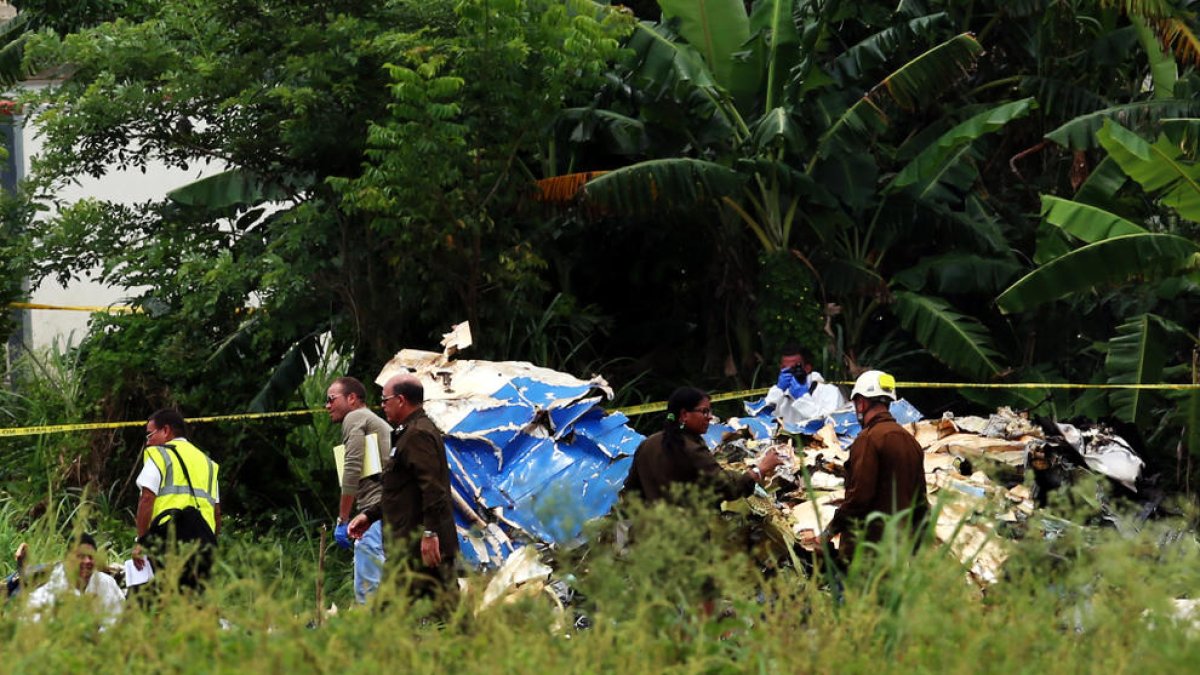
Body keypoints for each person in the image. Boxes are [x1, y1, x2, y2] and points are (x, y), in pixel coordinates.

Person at [348, 374, 458, 611]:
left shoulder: (417, 435)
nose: (382, 406)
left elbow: (433, 488)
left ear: (400, 400)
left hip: (418, 547)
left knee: (389, 614)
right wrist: (370, 515)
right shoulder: (408, 433)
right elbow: (400, 491)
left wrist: (430, 534)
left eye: (385, 400)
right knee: (449, 613)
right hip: (413, 546)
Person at [818, 370, 928, 565]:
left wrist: (829, 532)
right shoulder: (911, 443)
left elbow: (859, 498)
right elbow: (921, 503)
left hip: (867, 554)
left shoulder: (868, 439)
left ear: (861, 403)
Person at [623, 386, 782, 507]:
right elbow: (727, 488)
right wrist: (760, 469)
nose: (710, 417)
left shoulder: (648, 444)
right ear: (684, 414)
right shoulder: (691, 449)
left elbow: (631, 491)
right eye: (704, 412)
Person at [132, 409, 220, 591]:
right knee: (195, 600)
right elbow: (216, 511)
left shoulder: (160, 455)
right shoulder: (208, 463)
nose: (148, 442)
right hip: (203, 543)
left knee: (165, 596)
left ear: (166, 430)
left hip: (168, 541)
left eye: (150, 435)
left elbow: (147, 499)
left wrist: (142, 541)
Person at [326, 375, 394, 604]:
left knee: (368, 588)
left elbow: (352, 466)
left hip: (374, 509)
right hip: (388, 507)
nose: (327, 406)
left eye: (331, 399)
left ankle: (371, 626)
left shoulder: (355, 417)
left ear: (352, 398)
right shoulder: (373, 421)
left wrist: (343, 519)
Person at [25, 533, 124, 627]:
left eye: (91, 557)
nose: (87, 561)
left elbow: (116, 619)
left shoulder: (106, 583)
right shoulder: (52, 587)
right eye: (81, 556)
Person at [763, 343, 846, 428]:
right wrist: (777, 391)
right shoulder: (780, 395)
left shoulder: (830, 392)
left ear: (807, 368)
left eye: (794, 368)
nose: (790, 373)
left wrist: (803, 399)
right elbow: (763, 419)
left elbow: (831, 425)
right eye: (785, 369)